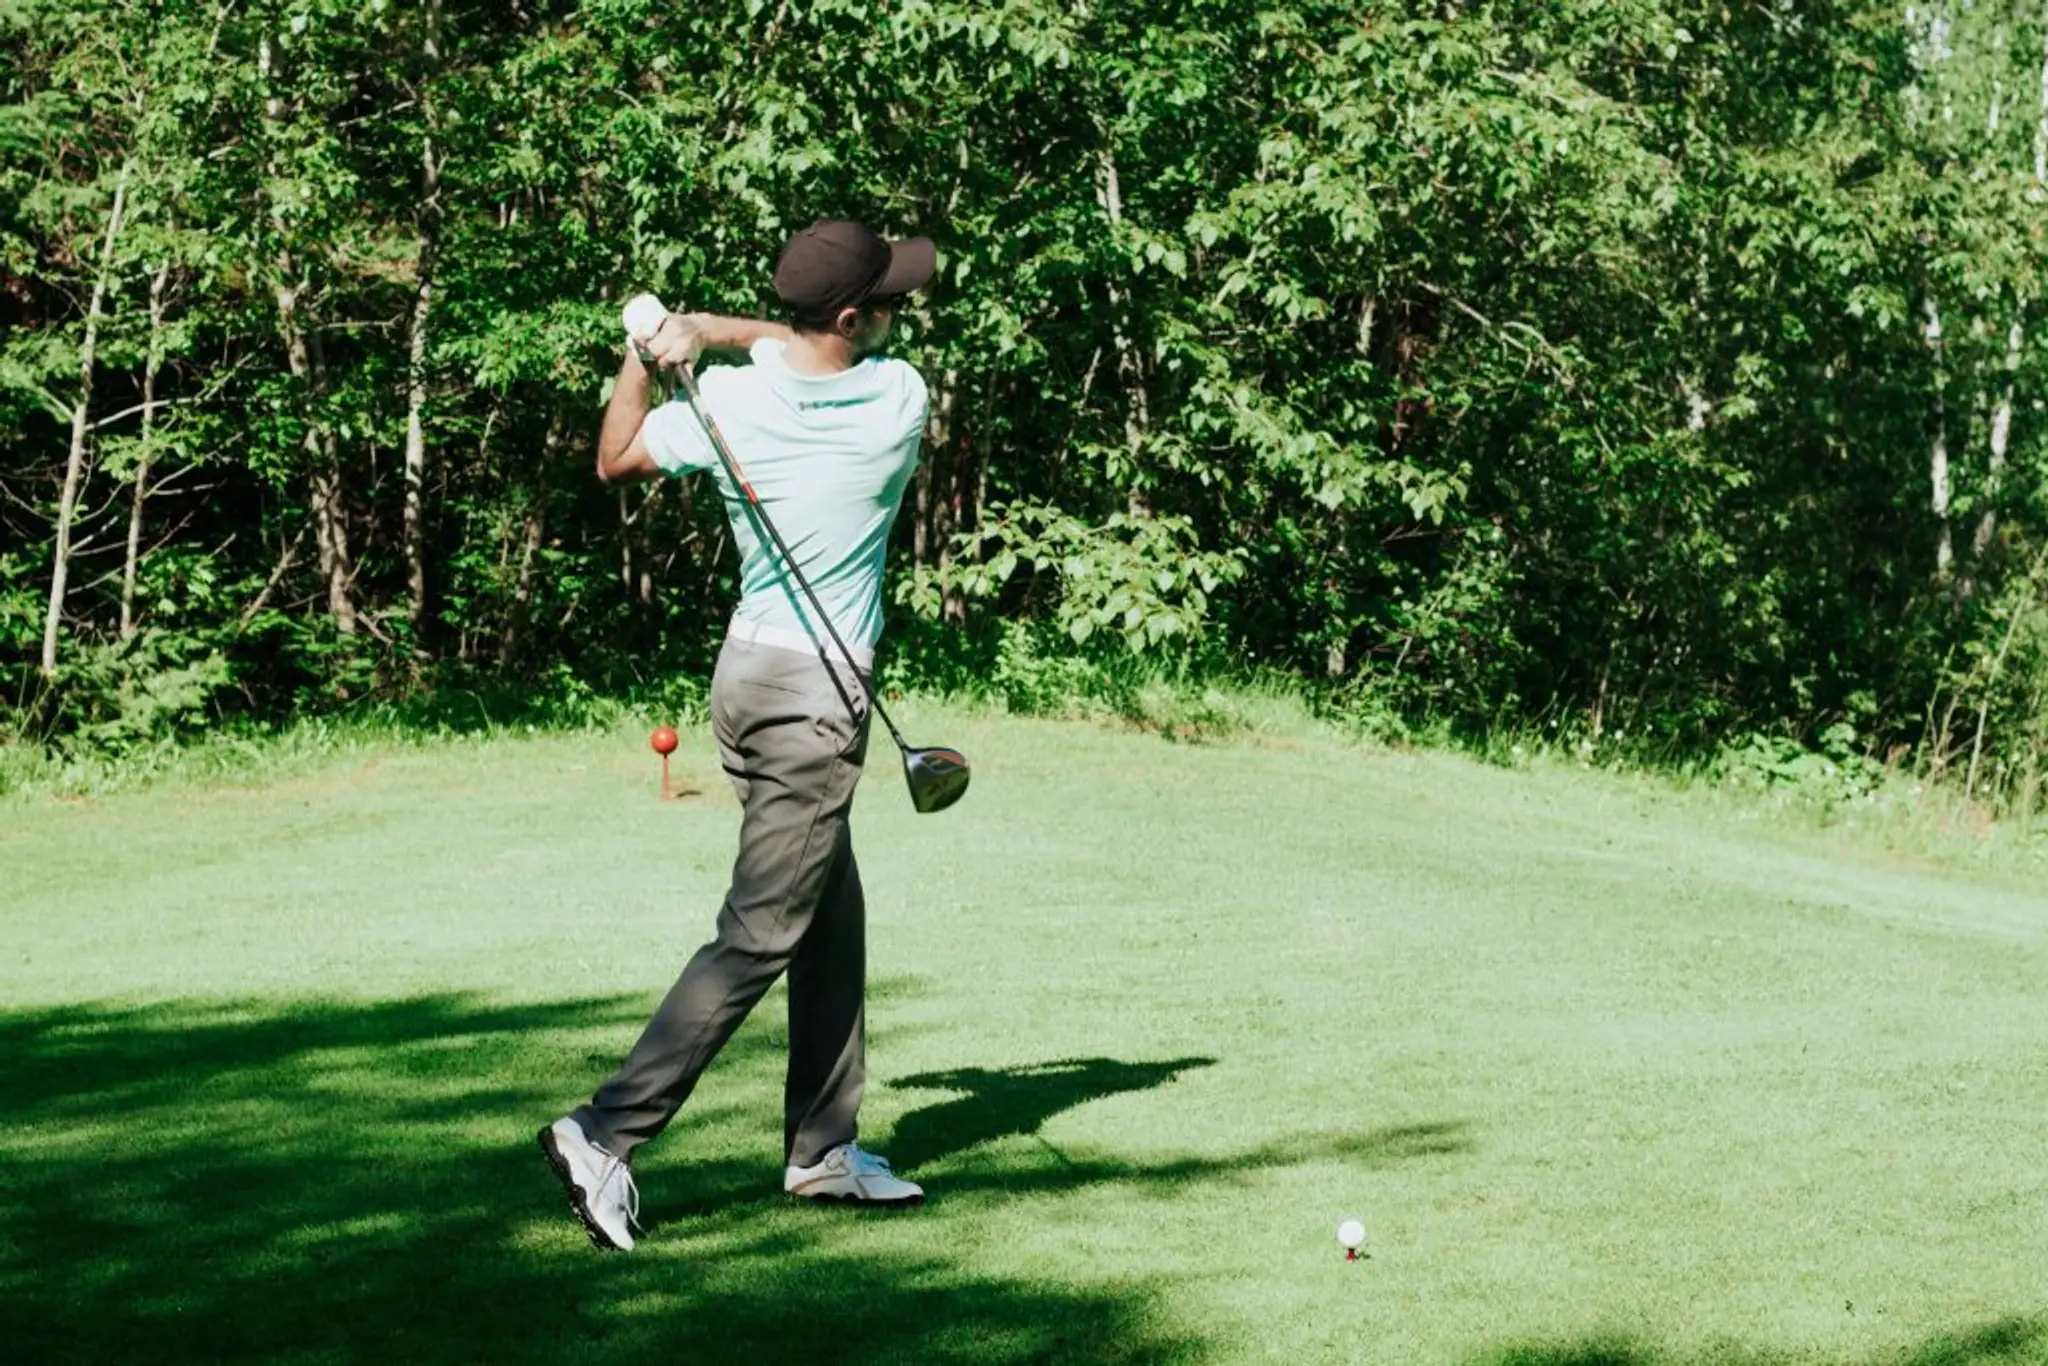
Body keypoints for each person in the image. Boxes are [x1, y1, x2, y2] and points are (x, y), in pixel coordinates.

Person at [539, 219, 936, 1252]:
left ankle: (821, 1147)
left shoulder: (728, 402)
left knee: (830, 912)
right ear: (851, 320)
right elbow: (801, 343)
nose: (896, 315)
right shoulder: (898, 399)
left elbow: (616, 456)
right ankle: (602, 1131)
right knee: (762, 929)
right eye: (886, 302)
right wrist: (716, 334)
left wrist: (659, 348)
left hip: (745, 679)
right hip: (815, 703)